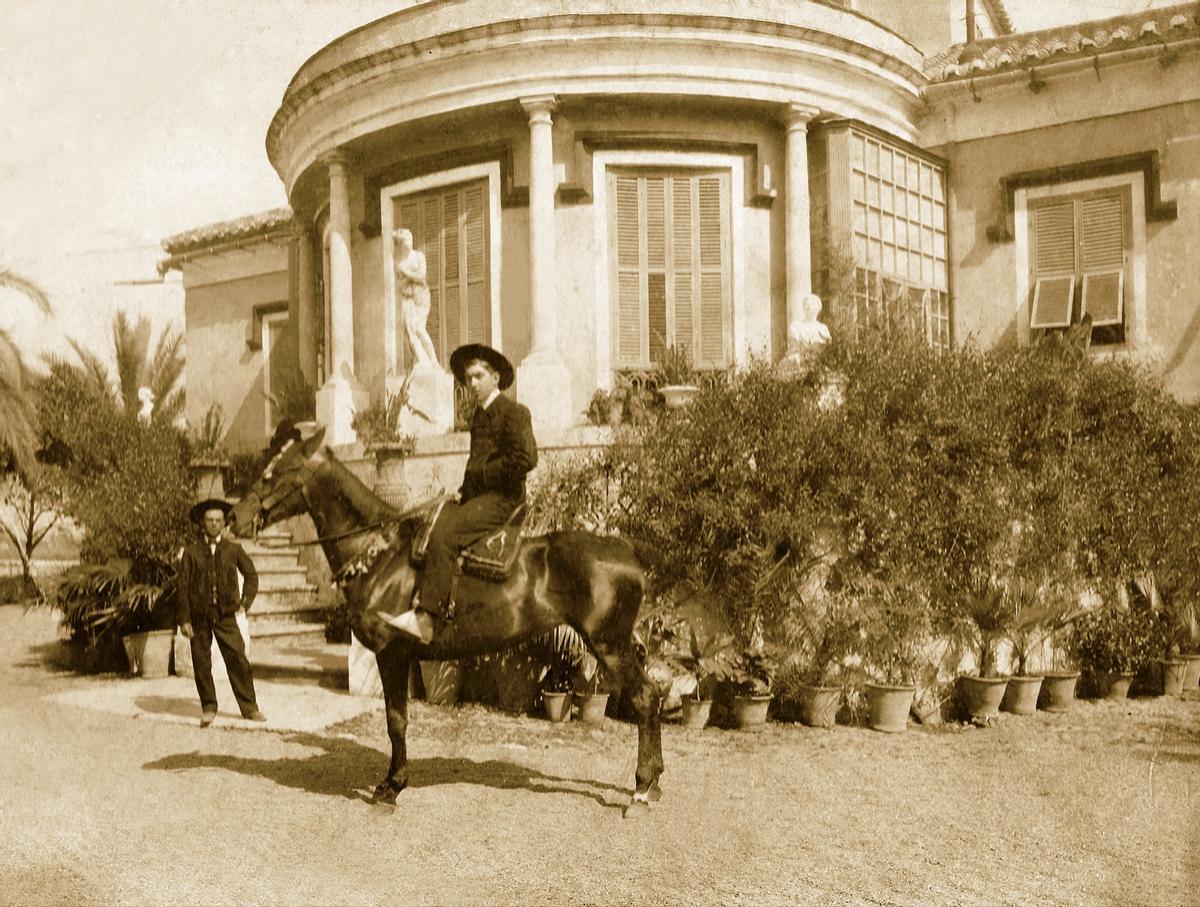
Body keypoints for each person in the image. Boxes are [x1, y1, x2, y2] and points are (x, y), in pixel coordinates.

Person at [380, 343, 537, 643]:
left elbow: (526, 459)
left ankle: (427, 619)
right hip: (480, 499)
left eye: (478, 376)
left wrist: (482, 476)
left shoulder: (513, 413)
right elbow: (477, 464)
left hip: (505, 501)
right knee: (430, 523)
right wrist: (462, 491)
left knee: (444, 534)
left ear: (495, 377)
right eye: (468, 379)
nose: (472, 384)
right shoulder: (479, 417)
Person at [177, 492, 265, 727]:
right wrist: (184, 619)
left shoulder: (233, 549)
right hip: (199, 617)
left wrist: (244, 602)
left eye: (218, 520)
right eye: (210, 520)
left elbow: (252, 576)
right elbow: (182, 587)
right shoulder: (191, 552)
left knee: (237, 658)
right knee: (201, 661)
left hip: (226, 615)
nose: (214, 524)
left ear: (224, 523)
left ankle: (250, 708)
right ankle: (208, 707)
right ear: (202, 523)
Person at [393, 227, 438, 370]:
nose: (409, 243)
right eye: (406, 241)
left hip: (421, 296)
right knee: (410, 332)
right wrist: (411, 276)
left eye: (410, 239)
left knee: (419, 328)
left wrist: (407, 274)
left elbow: (422, 277)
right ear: (401, 244)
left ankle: (434, 361)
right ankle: (420, 362)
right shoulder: (398, 263)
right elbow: (399, 285)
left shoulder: (419, 256)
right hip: (407, 298)